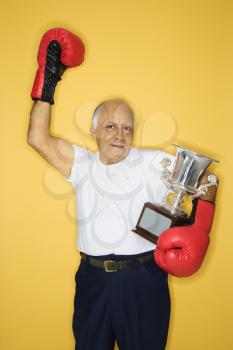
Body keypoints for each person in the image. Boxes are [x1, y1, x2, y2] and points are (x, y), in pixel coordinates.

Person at [27, 28, 218, 350]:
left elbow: (207, 180)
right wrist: (48, 80)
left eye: (128, 128)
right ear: (94, 129)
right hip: (93, 279)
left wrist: (200, 227)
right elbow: (37, 139)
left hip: (142, 279)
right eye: (111, 126)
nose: (120, 135)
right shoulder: (82, 164)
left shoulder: (154, 161)